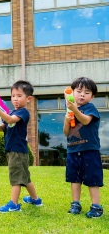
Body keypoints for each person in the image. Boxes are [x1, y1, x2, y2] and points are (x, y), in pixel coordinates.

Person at [0, 80, 43, 213]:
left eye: (19, 96)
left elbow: (11, 120)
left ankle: (13, 204)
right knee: (25, 177)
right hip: (13, 149)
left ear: (28, 99)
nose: (15, 99)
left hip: (17, 150)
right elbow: (1, 129)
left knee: (16, 178)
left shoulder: (23, 112)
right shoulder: (11, 112)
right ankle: (35, 200)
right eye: (13, 96)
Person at [63, 77, 103, 218]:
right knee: (74, 178)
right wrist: (67, 120)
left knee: (93, 178)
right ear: (72, 93)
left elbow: (85, 120)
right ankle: (75, 204)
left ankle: (96, 206)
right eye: (79, 91)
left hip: (89, 150)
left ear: (92, 96)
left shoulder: (90, 108)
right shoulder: (70, 110)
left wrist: (74, 110)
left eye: (86, 92)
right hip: (73, 150)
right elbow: (66, 132)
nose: (82, 94)